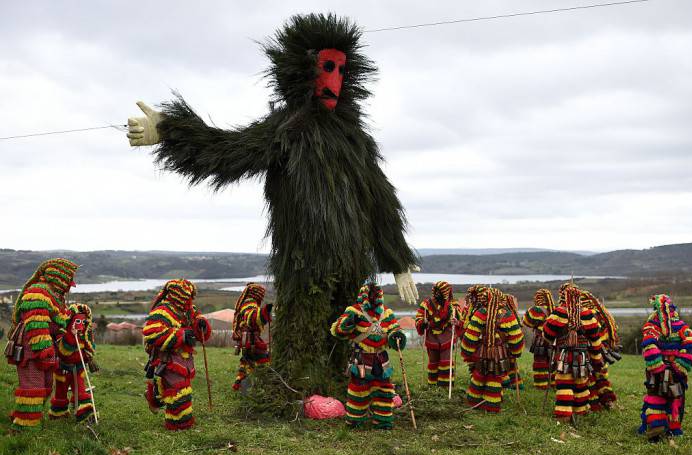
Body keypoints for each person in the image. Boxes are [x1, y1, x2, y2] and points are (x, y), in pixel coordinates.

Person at [125, 13, 419, 398]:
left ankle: (350, 384)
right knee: (304, 327)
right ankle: (300, 390)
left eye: (341, 70)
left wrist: (397, 260)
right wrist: (169, 130)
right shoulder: (288, 130)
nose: (334, 80)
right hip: (304, 259)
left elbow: (380, 198)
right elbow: (226, 151)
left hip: (351, 261)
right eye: (325, 67)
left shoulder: (355, 140)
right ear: (302, 70)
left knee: (347, 326)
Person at [6, 258, 78, 430]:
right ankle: (25, 425)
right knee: (33, 386)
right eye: (69, 278)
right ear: (58, 276)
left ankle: (25, 416)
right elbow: (36, 326)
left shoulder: (55, 295)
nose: (71, 284)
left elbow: (57, 321)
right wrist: (44, 351)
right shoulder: (37, 292)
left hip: (47, 348)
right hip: (32, 349)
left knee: (46, 385)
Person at [330, 284, 406, 429]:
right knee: (359, 390)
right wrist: (349, 322)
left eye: (376, 296)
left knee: (384, 390)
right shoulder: (354, 311)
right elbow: (337, 330)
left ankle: (383, 421)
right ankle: (355, 421)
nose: (373, 299)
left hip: (381, 360)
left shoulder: (387, 313)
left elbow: (394, 328)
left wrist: (397, 336)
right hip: (361, 359)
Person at [142, 279, 211, 430]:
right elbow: (151, 334)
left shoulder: (188, 310)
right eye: (186, 296)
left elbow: (198, 322)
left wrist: (202, 325)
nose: (189, 300)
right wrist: (181, 335)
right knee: (178, 390)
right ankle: (179, 424)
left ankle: (154, 396)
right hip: (168, 359)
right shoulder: (162, 311)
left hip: (185, 359)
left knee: (174, 387)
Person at [542, 282, 604, 422]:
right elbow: (595, 338)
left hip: (564, 355)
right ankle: (580, 412)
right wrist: (596, 357)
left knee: (564, 383)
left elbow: (547, 334)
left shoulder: (559, 312)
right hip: (582, 356)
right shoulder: (588, 314)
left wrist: (554, 339)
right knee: (581, 383)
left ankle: (564, 415)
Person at [639, 294, 692, 440]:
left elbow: (649, 344)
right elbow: (690, 342)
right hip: (676, 370)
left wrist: (658, 366)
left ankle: (656, 427)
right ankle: (670, 429)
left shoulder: (652, 325)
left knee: (657, 396)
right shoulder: (682, 326)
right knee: (675, 397)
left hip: (661, 370)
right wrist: (680, 365)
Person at [460, 287, 524, 413]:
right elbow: (516, 337)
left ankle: (474, 402)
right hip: (500, 353)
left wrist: (467, 351)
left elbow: (470, 335)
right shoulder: (508, 315)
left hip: (482, 351)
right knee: (495, 377)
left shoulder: (480, 313)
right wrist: (516, 351)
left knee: (479, 374)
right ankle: (491, 407)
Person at [49, 303, 98, 422]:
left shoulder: (85, 335)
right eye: (78, 322)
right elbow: (63, 351)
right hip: (63, 370)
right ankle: (58, 413)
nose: (81, 325)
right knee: (61, 392)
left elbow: (90, 349)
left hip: (79, 369)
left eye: (83, 322)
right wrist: (71, 335)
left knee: (80, 390)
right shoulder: (63, 332)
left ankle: (85, 414)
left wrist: (88, 355)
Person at [415, 281, 462, 387]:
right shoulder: (426, 304)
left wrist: (456, 321)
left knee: (446, 361)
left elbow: (460, 320)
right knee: (433, 361)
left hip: (447, 338)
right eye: (436, 292)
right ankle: (433, 384)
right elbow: (419, 318)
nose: (437, 295)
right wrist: (424, 322)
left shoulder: (453, 305)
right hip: (432, 338)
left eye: (440, 292)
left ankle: (445, 386)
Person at [580, 290, 620, 410]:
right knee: (601, 375)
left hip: (591, 349)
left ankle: (593, 403)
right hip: (603, 349)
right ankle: (607, 400)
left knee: (590, 376)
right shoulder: (603, 313)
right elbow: (612, 330)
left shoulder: (585, 314)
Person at [231, 283, 273, 392]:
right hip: (251, 342)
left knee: (247, 362)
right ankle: (256, 388)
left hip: (249, 342)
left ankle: (243, 386)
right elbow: (252, 318)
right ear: (257, 294)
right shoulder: (249, 303)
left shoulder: (248, 303)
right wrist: (264, 313)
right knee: (263, 360)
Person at [522, 288, 556, 390]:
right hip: (554, 340)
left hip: (540, 341)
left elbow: (526, 322)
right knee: (554, 362)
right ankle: (554, 383)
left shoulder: (535, 310)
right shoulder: (556, 309)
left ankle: (541, 385)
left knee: (540, 362)